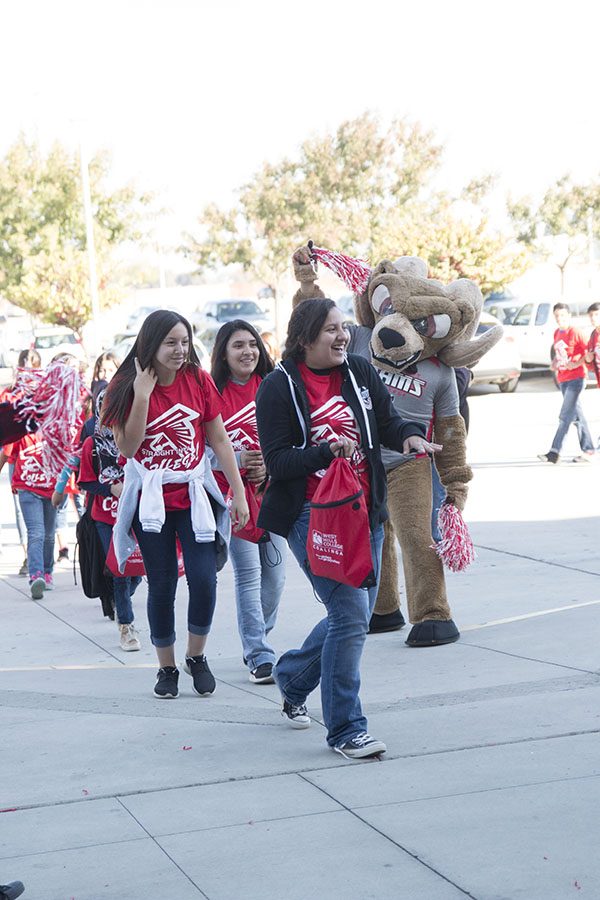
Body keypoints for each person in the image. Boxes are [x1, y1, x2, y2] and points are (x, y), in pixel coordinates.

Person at [255, 299, 435, 759]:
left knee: (353, 612)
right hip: (310, 514)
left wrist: (409, 435)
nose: (342, 337)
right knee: (352, 615)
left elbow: (387, 422)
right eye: (330, 330)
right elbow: (277, 462)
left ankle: (293, 677)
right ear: (304, 339)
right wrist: (325, 451)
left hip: (361, 508)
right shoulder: (277, 388)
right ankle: (345, 728)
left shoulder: (358, 371)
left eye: (342, 328)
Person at [102, 310, 249, 699]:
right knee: (162, 583)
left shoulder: (198, 379)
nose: (180, 350)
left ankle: (196, 657)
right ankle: (166, 667)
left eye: (184, 341)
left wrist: (238, 491)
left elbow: (218, 439)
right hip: (151, 503)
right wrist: (143, 395)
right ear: (150, 343)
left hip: (193, 496)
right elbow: (128, 448)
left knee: (204, 579)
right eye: (170, 342)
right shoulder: (122, 386)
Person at [210, 320, 287, 684]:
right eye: (238, 345)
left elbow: (293, 441)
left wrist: (270, 467)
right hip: (233, 500)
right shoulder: (213, 394)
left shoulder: (274, 387)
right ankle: (258, 652)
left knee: (275, 576)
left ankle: (258, 637)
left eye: (252, 344)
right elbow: (200, 454)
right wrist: (236, 461)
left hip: (274, 496)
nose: (248, 352)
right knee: (249, 576)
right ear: (224, 353)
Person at [0, 349, 42, 574]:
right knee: (21, 509)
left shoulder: (45, 395)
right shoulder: (9, 394)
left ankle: (43, 560)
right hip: (17, 457)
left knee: (46, 512)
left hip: (39, 457)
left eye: (34, 366)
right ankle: (29, 556)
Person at [538, 303, 595, 464]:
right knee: (577, 417)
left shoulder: (576, 332)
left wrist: (576, 364)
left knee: (564, 416)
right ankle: (589, 450)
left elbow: (588, 353)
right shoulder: (557, 333)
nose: (559, 319)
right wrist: (555, 363)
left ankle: (554, 452)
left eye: (562, 315)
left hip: (576, 379)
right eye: (557, 316)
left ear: (569, 316)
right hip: (563, 379)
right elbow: (559, 354)